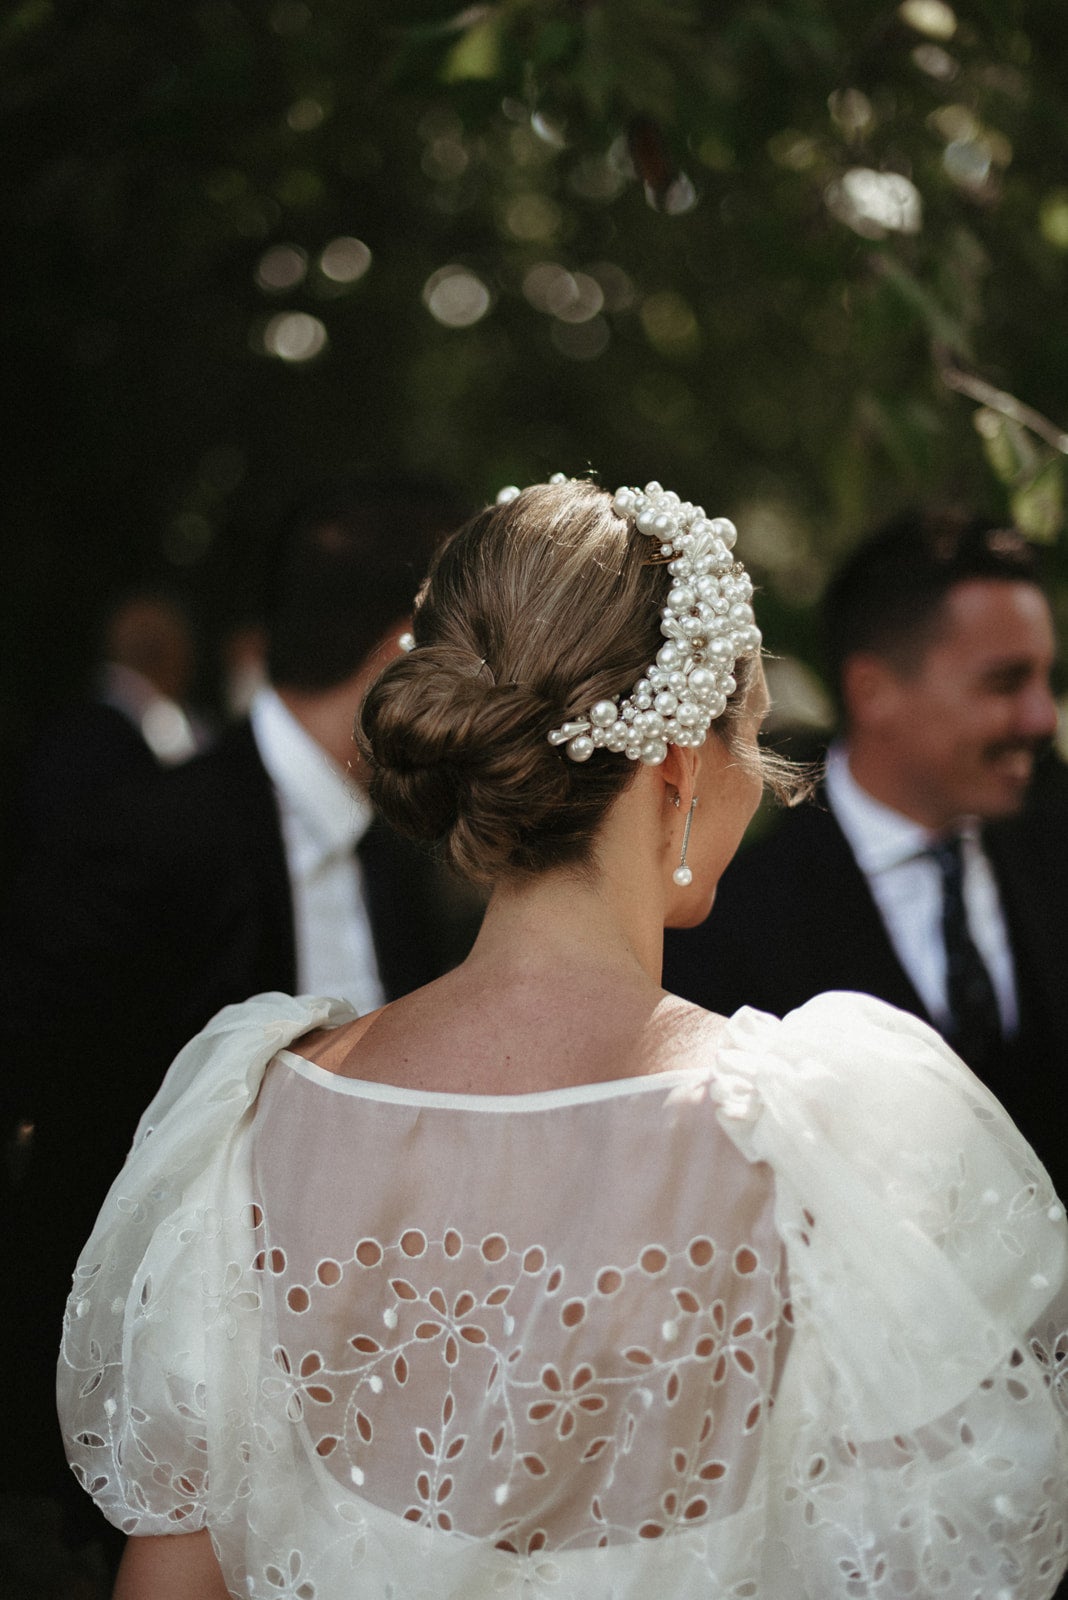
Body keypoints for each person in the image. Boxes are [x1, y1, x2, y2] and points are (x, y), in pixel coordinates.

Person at [58, 479, 1068, 1599]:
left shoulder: (253, 1113)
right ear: (679, 768)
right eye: (751, 735)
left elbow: (171, 1576)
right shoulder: (817, 1134)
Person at [0, 475, 480, 1550]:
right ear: (408, 648)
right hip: (140, 1457)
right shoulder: (143, 843)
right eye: (474, 647)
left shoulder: (403, 866)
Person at [663, 510, 1068, 1196]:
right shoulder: (735, 919)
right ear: (873, 691)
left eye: (1046, 680)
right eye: (1005, 683)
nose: (1041, 718)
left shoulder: (1054, 843)